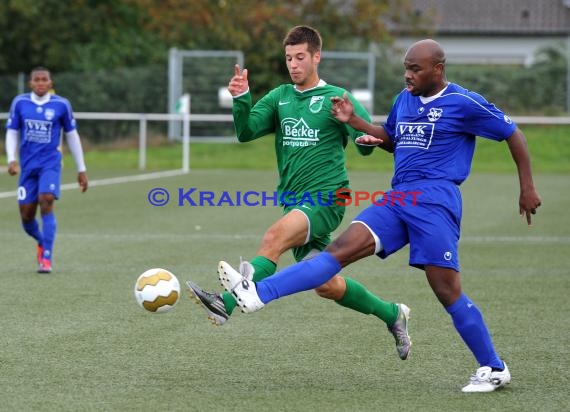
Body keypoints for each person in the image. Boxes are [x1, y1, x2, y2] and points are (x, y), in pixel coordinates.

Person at [218, 39, 542, 393]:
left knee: (446, 291)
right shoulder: (405, 99)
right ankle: (258, 292)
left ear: (438, 69)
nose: (408, 75)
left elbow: (514, 134)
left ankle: (494, 367)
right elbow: (393, 139)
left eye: (415, 69)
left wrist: (526, 187)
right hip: (398, 196)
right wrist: (357, 123)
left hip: (435, 200)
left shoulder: (463, 102)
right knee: (337, 253)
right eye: (406, 67)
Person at [185, 25, 412, 360]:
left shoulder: (336, 97)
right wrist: (240, 98)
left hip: (326, 199)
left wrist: (364, 136)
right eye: (289, 57)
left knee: (274, 237)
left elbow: (367, 143)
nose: (293, 64)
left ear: (316, 57)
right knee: (327, 284)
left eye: (300, 57)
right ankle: (393, 314)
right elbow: (246, 132)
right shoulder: (280, 97)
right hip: (294, 201)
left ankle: (226, 303)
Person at [5, 66, 88, 273]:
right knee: (26, 216)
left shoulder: (61, 104)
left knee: (47, 199)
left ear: (51, 83)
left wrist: (81, 168)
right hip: (28, 167)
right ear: (31, 83)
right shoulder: (20, 102)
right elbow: (12, 132)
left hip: (50, 163)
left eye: (44, 80)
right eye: (37, 80)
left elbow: (72, 136)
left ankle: (47, 258)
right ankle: (42, 242)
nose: (40, 83)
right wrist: (12, 159)